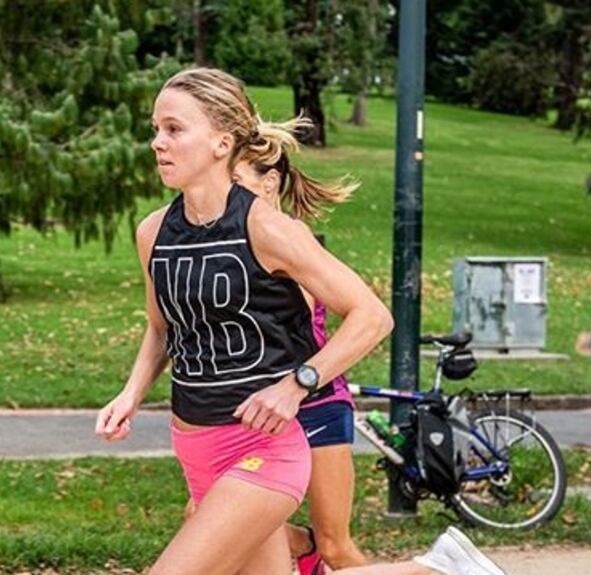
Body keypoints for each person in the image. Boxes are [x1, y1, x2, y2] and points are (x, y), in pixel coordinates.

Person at [95, 67, 505, 575]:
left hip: (263, 452)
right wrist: (132, 393)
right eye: (156, 129)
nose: (158, 142)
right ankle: (440, 571)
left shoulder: (269, 229)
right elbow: (162, 329)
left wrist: (296, 385)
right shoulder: (153, 232)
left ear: (222, 143)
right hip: (197, 451)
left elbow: (372, 317)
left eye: (174, 129)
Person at [230, 130, 366, 573]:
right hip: (258, 408)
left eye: (236, 181)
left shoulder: (289, 235)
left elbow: (291, 324)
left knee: (336, 545)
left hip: (316, 405)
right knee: (211, 520)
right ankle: (302, 547)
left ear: (268, 183)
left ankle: (315, 549)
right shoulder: (234, 240)